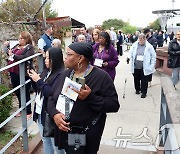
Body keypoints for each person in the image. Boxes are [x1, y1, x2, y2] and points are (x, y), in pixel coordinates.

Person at [47, 42, 120, 154]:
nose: (65, 57)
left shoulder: (101, 77)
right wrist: (55, 115)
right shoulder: (65, 74)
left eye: (69, 54)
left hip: (84, 132)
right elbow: (51, 97)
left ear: (80, 58)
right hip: (65, 131)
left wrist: (90, 98)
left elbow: (114, 105)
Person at [28, 47, 65, 154]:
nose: (45, 60)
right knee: (45, 140)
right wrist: (33, 79)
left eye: (48, 58)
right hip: (40, 111)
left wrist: (38, 80)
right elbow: (39, 90)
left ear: (55, 59)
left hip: (51, 114)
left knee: (57, 144)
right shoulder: (46, 71)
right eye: (45, 57)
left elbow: (51, 93)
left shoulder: (61, 74)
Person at [7, 31, 34, 119]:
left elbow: (25, 57)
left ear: (26, 39)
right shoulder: (16, 46)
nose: (20, 40)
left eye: (22, 38)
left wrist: (14, 56)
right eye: (19, 38)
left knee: (25, 92)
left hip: (24, 73)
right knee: (17, 91)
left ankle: (28, 111)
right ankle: (21, 109)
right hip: (14, 71)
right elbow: (10, 54)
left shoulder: (29, 47)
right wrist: (7, 49)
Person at [126, 33, 156, 98]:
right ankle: (137, 89)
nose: (141, 41)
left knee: (144, 80)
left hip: (145, 66)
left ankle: (144, 92)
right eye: (140, 40)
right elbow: (130, 52)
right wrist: (128, 57)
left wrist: (151, 66)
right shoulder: (134, 45)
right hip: (136, 65)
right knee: (136, 78)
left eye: (142, 40)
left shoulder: (149, 47)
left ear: (145, 39)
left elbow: (153, 57)